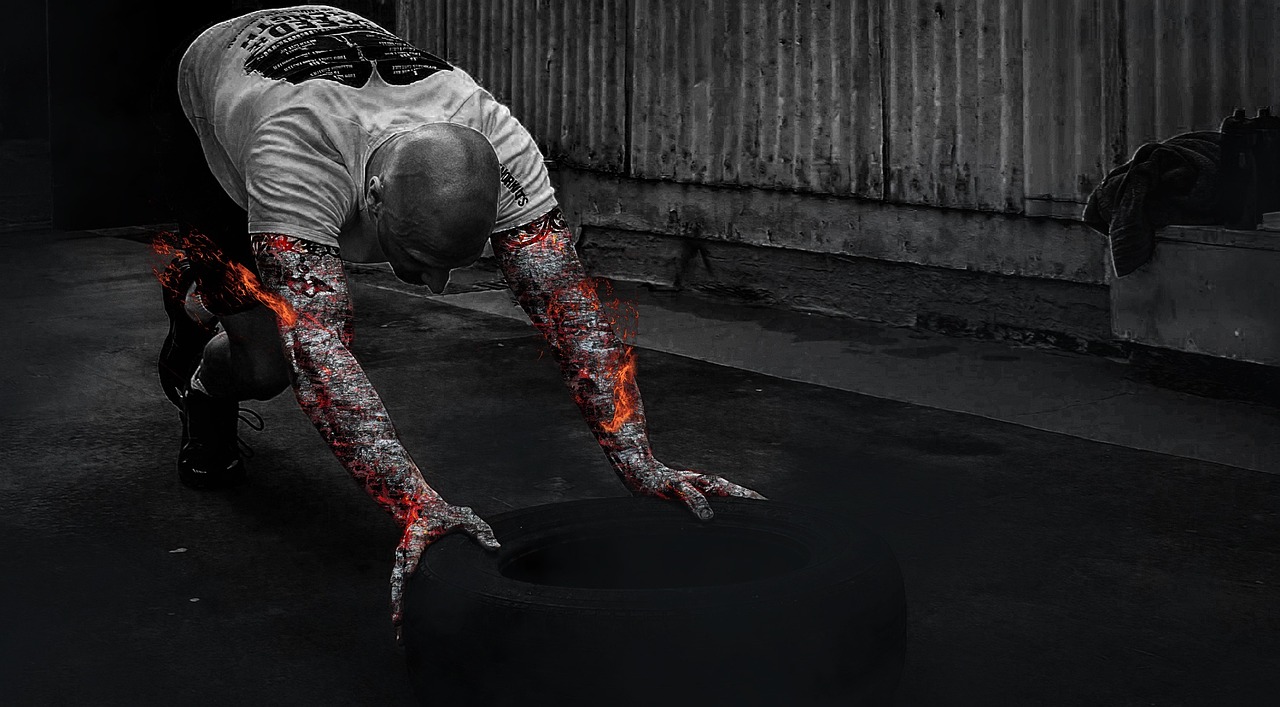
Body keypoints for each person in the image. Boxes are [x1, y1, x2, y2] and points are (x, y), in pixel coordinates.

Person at [152, 4, 765, 638]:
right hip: (211, 106)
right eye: (420, 260)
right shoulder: (295, 154)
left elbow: (571, 315)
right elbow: (321, 354)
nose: (439, 287)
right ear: (375, 197)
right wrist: (415, 504)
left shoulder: (500, 139)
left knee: (290, 325)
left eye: (454, 265)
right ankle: (202, 374)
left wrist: (641, 461)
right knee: (268, 364)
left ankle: (210, 312)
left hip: (334, 62)